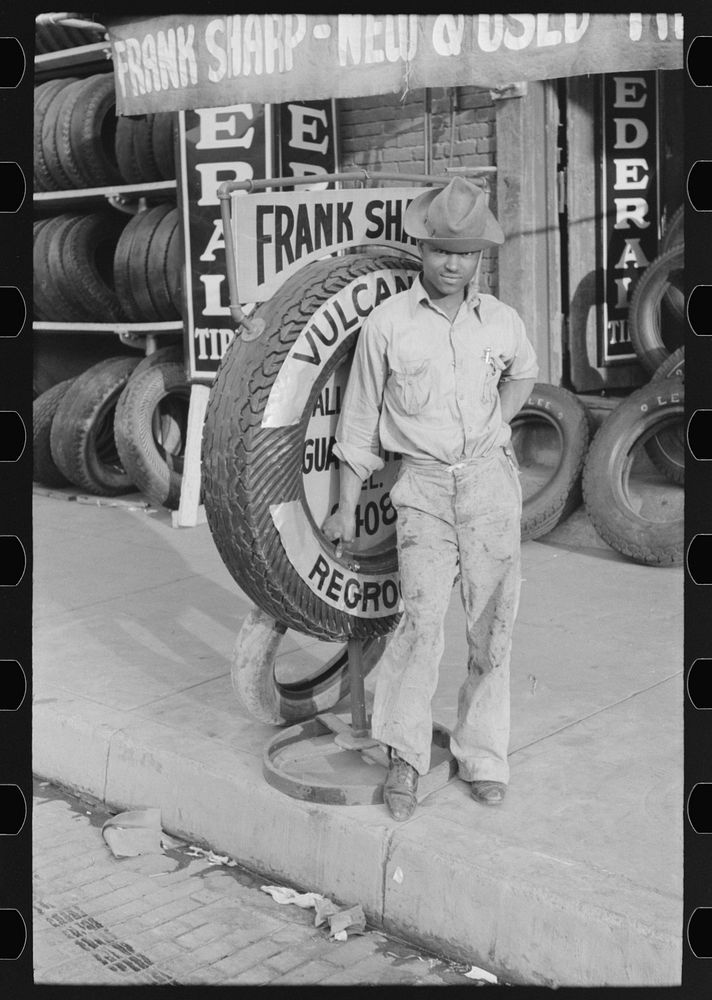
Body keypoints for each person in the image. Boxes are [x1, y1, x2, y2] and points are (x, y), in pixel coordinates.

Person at [322, 176, 538, 821]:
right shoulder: (387, 325)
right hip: (420, 488)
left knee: (491, 624)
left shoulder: (500, 319)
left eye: (467, 252)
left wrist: (500, 421)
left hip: (490, 484)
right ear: (422, 249)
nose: (454, 264)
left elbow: (523, 370)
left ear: (481, 257)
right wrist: (343, 503)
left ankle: (482, 758)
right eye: (443, 250)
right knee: (419, 625)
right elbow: (358, 427)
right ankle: (405, 759)